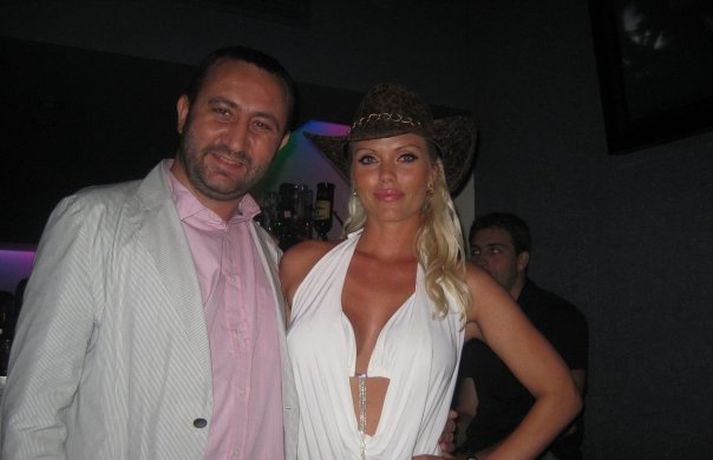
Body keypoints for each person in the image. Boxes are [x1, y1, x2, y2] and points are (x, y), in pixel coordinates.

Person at [1, 46, 300, 460]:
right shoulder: (93, 222)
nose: (236, 140)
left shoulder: (275, 258)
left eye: (261, 125)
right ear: (184, 112)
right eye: (222, 111)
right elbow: (32, 419)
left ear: (280, 144)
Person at [280, 83, 582, 460]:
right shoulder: (302, 265)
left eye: (405, 157)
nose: (386, 175)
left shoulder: (465, 284)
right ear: (354, 174)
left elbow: (562, 396)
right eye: (369, 159)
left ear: (433, 175)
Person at [455, 213, 589, 459]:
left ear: (521, 260)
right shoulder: (473, 320)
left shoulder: (559, 317)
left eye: (495, 251)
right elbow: (468, 411)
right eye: (476, 251)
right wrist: (445, 436)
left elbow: (565, 419)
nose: (482, 260)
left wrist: (482, 457)